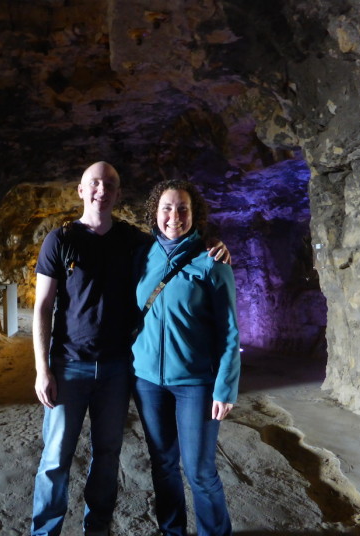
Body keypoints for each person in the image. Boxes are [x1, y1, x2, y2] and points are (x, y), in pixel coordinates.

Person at [31, 162, 228, 536]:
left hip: (117, 368)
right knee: (55, 459)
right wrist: (42, 369)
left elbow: (177, 244)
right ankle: (45, 532)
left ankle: (97, 529)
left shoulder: (134, 242)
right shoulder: (60, 240)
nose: (101, 191)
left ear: (118, 194)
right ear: (80, 190)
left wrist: (215, 246)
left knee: (107, 457)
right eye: (94, 184)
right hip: (69, 365)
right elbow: (42, 307)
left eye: (109, 185)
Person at [131, 179, 240, 536]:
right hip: (147, 381)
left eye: (182, 209)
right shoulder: (141, 256)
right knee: (162, 465)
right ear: (154, 212)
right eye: (166, 208)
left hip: (195, 384)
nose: (174, 216)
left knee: (200, 471)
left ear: (195, 215)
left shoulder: (212, 260)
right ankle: (171, 530)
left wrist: (225, 386)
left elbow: (229, 330)